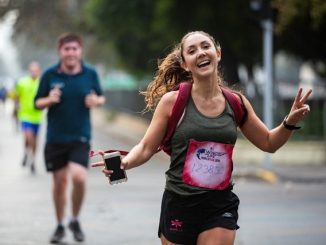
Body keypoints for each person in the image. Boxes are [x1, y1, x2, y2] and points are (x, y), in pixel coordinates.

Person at [92, 31, 312, 245]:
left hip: (219, 205)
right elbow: (147, 147)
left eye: (206, 46)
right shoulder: (172, 102)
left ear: (217, 53)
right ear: (185, 64)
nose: (201, 53)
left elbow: (269, 142)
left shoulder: (236, 103)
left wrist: (289, 122)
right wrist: (126, 162)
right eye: (192, 50)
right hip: (180, 202)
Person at [34, 33, 106, 243]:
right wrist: (49, 99)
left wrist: (96, 100)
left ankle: (74, 218)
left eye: (75, 49)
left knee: (79, 177)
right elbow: (36, 103)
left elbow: (101, 96)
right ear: (60, 51)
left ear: (80, 51)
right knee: (60, 182)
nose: (71, 52)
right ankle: (59, 225)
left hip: (80, 136)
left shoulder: (90, 73)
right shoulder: (49, 74)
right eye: (67, 49)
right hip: (55, 137)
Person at [14, 61, 43, 173]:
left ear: (39, 71)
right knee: (28, 137)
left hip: (37, 116)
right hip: (25, 115)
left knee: (35, 141)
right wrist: (16, 109)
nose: (34, 73)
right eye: (32, 71)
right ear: (29, 71)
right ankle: (27, 153)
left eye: (36, 71)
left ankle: (32, 159)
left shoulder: (41, 83)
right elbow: (17, 96)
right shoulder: (22, 83)